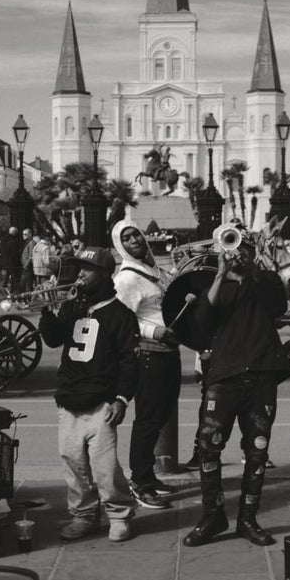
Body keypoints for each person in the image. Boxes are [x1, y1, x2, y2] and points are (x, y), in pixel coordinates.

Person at [181, 232, 290, 547]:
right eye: (233, 246)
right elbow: (201, 322)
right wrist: (219, 274)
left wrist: (254, 271)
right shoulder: (214, 287)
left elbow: (278, 306)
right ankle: (212, 515)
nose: (239, 253)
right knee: (208, 446)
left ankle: (248, 518)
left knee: (257, 450)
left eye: (245, 247)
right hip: (224, 377)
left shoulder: (265, 280)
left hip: (261, 377)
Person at [38, 248, 140, 542]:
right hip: (69, 399)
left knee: (105, 468)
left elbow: (128, 362)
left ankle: (118, 515)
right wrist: (47, 310)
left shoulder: (120, 315)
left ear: (105, 274)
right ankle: (83, 516)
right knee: (74, 465)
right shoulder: (73, 307)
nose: (80, 273)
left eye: (87, 269)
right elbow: (54, 338)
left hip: (101, 403)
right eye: (79, 268)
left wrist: (122, 398)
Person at [111, 217, 182, 511]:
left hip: (167, 352)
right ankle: (139, 483)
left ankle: (148, 476)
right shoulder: (127, 278)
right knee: (148, 420)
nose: (134, 241)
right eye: (127, 238)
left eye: (136, 235)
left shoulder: (151, 269)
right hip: (150, 353)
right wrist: (155, 331)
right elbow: (123, 320)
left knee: (160, 416)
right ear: (120, 245)